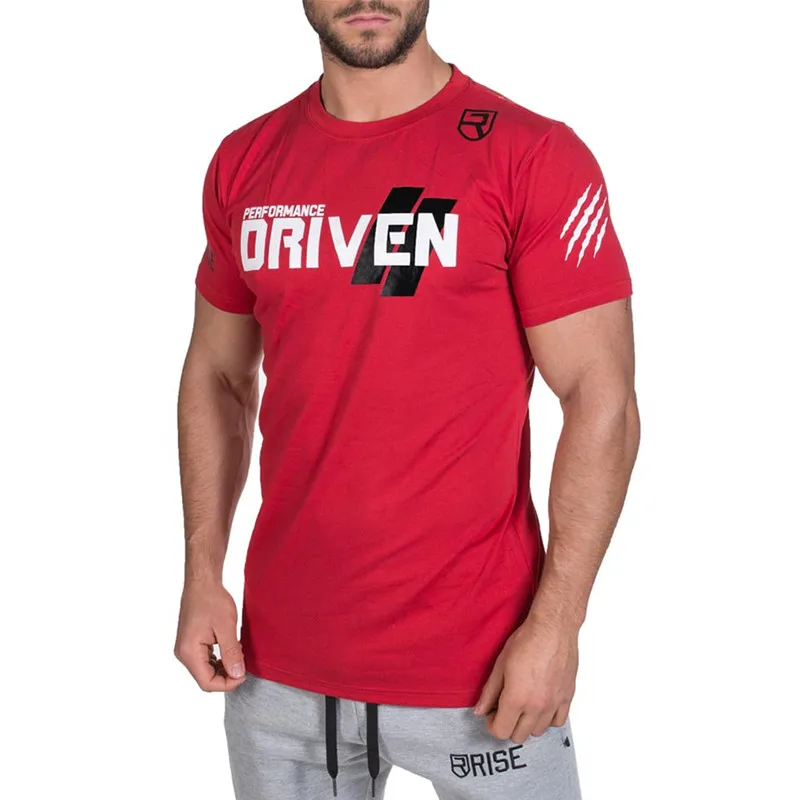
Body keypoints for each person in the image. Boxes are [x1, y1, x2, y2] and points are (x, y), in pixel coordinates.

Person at [174, 1, 640, 798]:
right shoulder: (246, 161)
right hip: (278, 666)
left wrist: (558, 624)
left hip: (486, 670)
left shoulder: (530, 155)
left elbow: (603, 399)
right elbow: (217, 374)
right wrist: (200, 570)